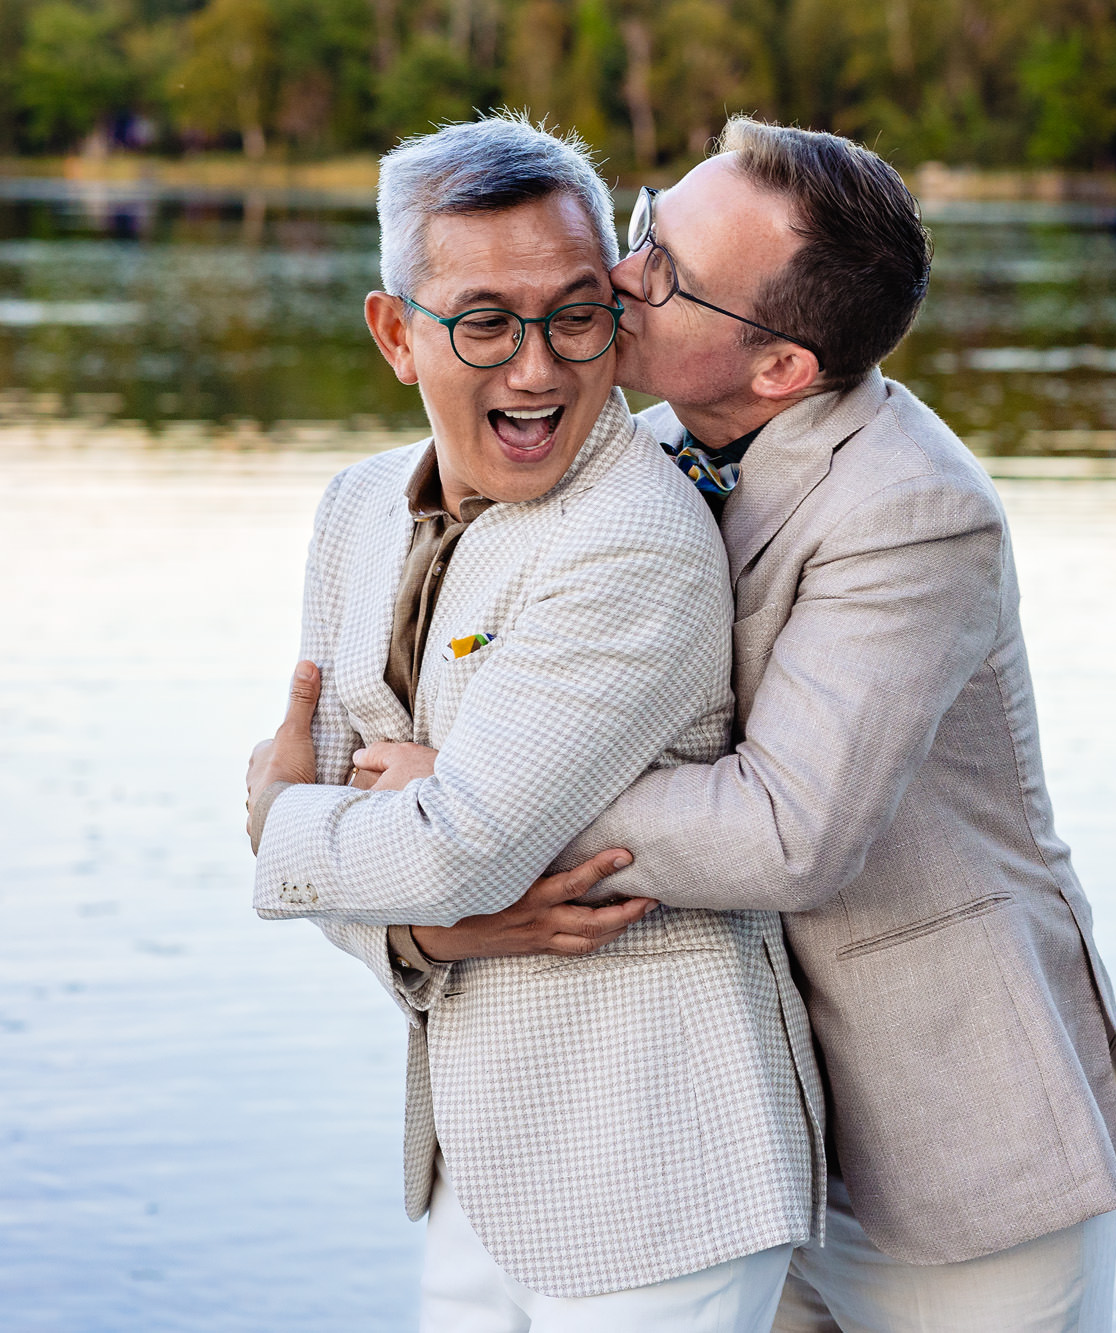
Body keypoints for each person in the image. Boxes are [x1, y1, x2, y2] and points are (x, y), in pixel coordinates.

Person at [346, 116, 1116, 1332]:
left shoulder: (914, 513)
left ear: (778, 369)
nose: (618, 279)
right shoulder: (640, 452)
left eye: (664, 274)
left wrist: (472, 785)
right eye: (643, 227)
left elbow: (788, 833)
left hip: (941, 1148)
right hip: (720, 1131)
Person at [242, 113, 821, 1331]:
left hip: (656, 1172)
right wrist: (429, 939)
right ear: (397, 334)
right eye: (486, 322)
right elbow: (402, 872)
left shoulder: (636, 540)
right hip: (476, 1164)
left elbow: (454, 848)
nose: (537, 368)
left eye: (574, 315)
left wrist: (278, 824)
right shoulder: (355, 510)